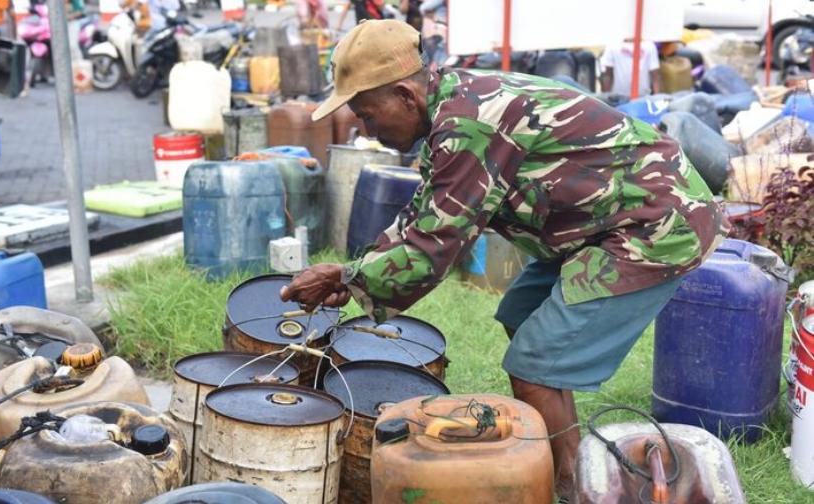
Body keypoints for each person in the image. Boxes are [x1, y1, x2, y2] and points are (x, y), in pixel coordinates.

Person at [280, 20, 728, 501]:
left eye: (367, 114)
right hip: (597, 222)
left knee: (533, 364)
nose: (364, 130)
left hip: (653, 223)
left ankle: (569, 489)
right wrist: (352, 273)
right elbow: (424, 216)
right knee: (522, 316)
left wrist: (351, 279)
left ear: (407, 97)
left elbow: (432, 249)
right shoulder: (449, 108)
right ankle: (572, 458)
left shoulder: (468, 125)